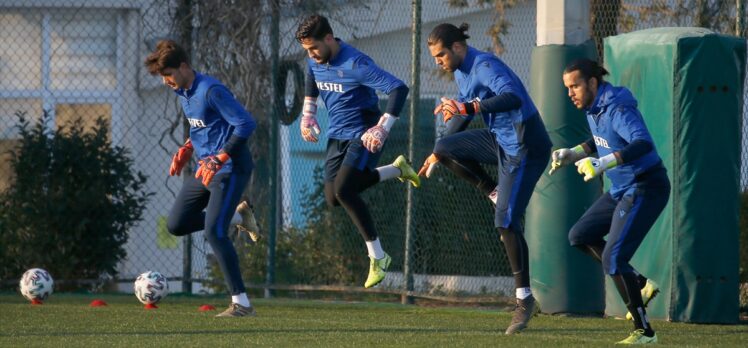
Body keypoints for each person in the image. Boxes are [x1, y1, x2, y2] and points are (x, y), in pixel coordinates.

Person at [422, 23, 552, 334]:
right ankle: (494, 191)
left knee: (505, 222)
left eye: (440, 54)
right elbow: (464, 115)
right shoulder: (461, 72)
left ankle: (524, 300)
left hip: (525, 147)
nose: (437, 60)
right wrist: (436, 154)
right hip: (501, 143)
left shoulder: (484, 65)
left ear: (457, 47)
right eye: (434, 56)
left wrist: (469, 105)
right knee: (443, 147)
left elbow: (512, 98)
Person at [295, 15, 420, 289]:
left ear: (329, 38)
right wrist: (308, 115)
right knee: (333, 197)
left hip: (364, 133)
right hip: (336, 135)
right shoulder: (316, 60)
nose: (311, 54)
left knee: (344, 190)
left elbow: (398, 88)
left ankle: (378, 256)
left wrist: (382, 128)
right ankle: (397, 169)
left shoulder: (356, 63)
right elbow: (311, 77)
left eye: (314, 47)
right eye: (307, 50)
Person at [551, 58, 669, 344]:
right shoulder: (593, 107)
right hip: (621, 188)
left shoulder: (616, 106)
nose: (571, 93)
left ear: (592, 82)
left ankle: (645, 332)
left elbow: (642, 143)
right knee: (579, 235)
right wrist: (574, 153)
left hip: (645, 185)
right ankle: (640, 285)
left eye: (575, 86)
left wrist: (603, 163)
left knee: (613, 258)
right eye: (567, 88)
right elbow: (599, 140)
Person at [145, 40, 260, 317]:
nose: (166, 82)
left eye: (168, 75)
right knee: (176, 224)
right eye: (163, 77)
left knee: (214, 232)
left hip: (229, 169)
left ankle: (242, 304)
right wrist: (187, 148)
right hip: (205, 169)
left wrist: (220, 157)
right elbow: (205, 128)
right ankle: (237, 217)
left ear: (183, 67)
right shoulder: (183, 91)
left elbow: (245, 123)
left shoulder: (210, 90)